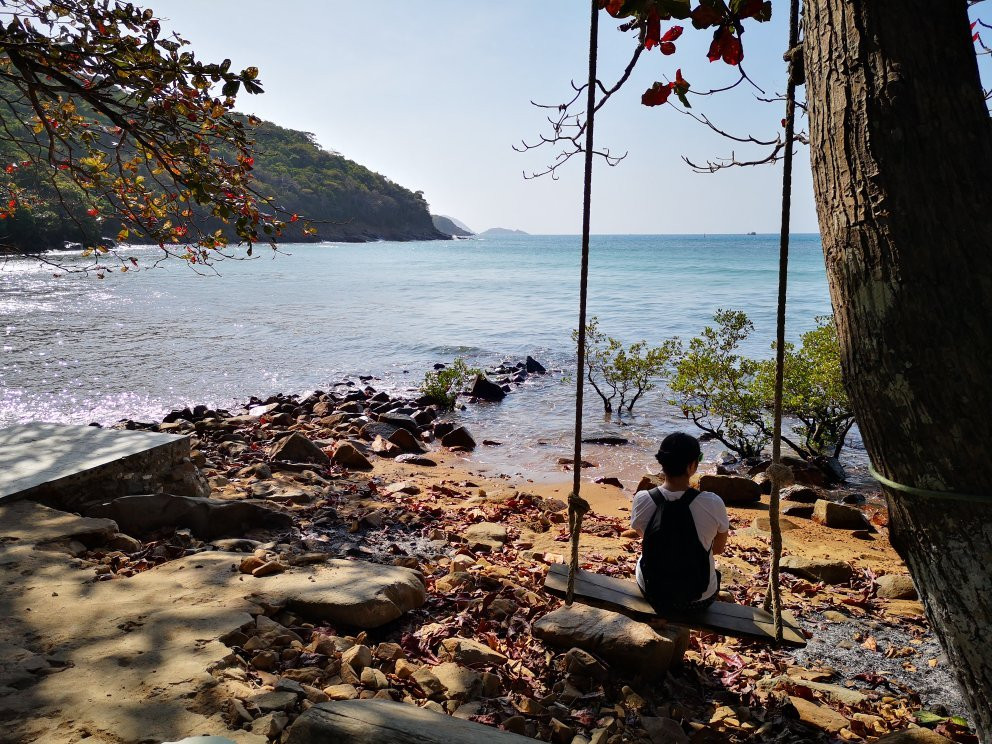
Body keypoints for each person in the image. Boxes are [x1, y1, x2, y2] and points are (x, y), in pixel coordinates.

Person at [630, 432, 729, 611]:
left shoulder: (642, 499)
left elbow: (645, 537)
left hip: (655, 595)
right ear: (692, 466)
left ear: (662, 462)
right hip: (699, 600)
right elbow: (718, 549)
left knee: (641, 559)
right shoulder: (712, 502)